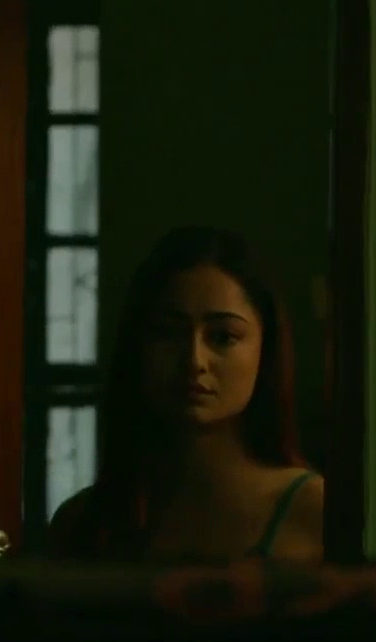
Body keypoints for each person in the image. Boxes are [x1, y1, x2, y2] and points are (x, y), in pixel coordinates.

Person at [46, 226, 323, 562]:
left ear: (265, 349)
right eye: (168, 333)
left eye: (223, 337)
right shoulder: (82, 521)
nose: (194, 360)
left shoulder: (313, 511)